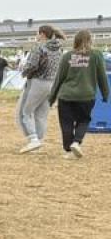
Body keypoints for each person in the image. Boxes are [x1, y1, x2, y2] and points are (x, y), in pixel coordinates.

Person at [49, 30, 109, 159]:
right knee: (84, 120)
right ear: (90, 40)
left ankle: (68, 150)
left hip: (66, 95)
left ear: (75, 40)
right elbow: (102, 77)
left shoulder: (67, 56)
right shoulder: (97, 55)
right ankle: (76, 142)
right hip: (86, 96)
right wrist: (105, 94)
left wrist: (52, 98)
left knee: (66, 122)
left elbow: (59, 78)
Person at [16, 25, 65, 153]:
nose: (36, 36)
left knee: (24, 112)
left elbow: (32, 65)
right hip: (52, 83)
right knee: (41, 115)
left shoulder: (39, 47)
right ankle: (38, 141)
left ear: (42, 34)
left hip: (37, 82)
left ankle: (33, 139)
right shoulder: (59, 49)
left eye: (37, 33)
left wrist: (23, 72)